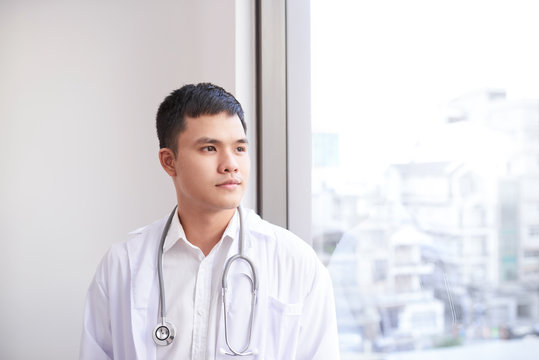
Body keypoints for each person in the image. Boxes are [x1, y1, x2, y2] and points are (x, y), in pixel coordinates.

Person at [80, 83, 340, 359]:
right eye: (209, 148)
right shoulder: (122, 265)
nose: (230, 164)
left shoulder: (295, 263)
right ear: (169, 162)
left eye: (239, 148)